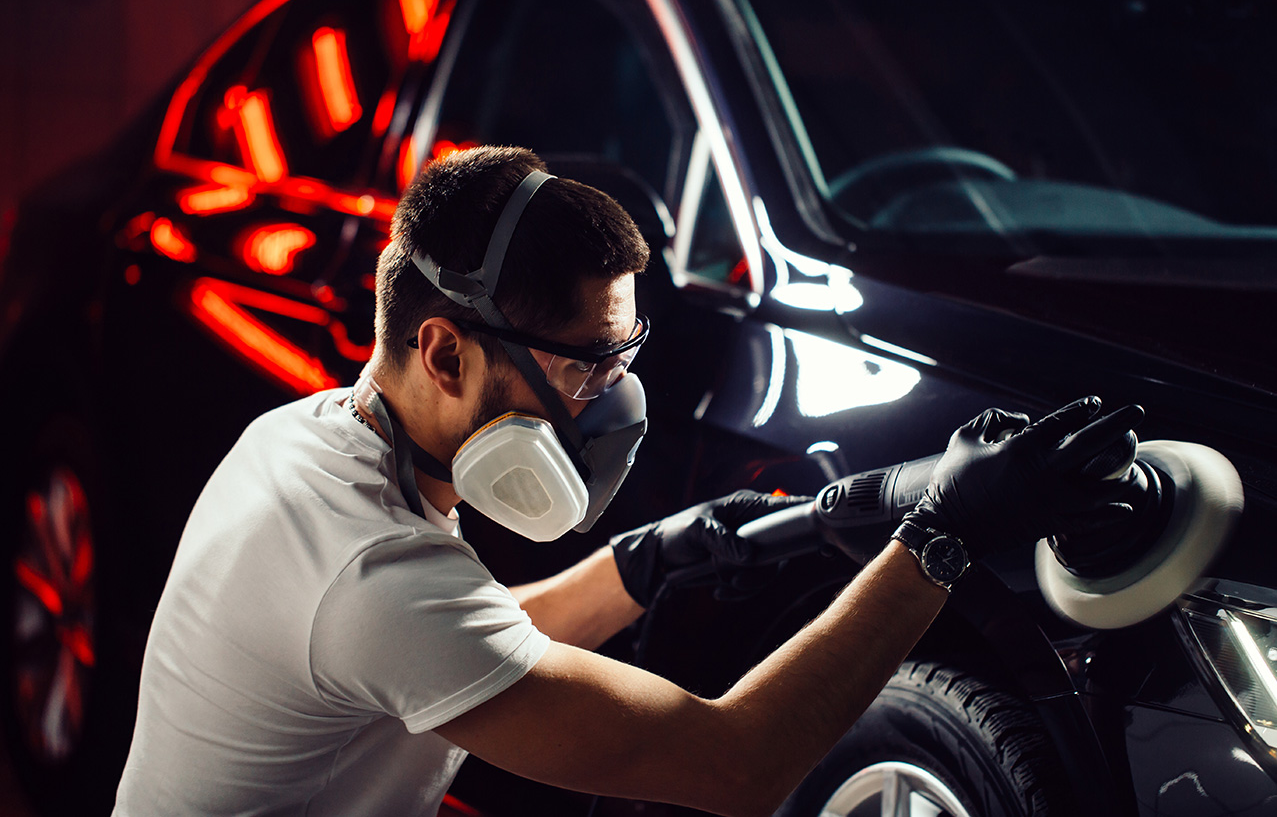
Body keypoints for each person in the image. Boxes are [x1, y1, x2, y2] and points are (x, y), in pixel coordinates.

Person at [113, 145, 1141, 817]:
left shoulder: (305, 440)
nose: (611, 399)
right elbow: (736, 764)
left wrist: (647, 559)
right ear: (444, 352)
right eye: (581, 364)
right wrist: (938, 541)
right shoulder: (376, 572)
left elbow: (461, 637)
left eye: (622, 356)